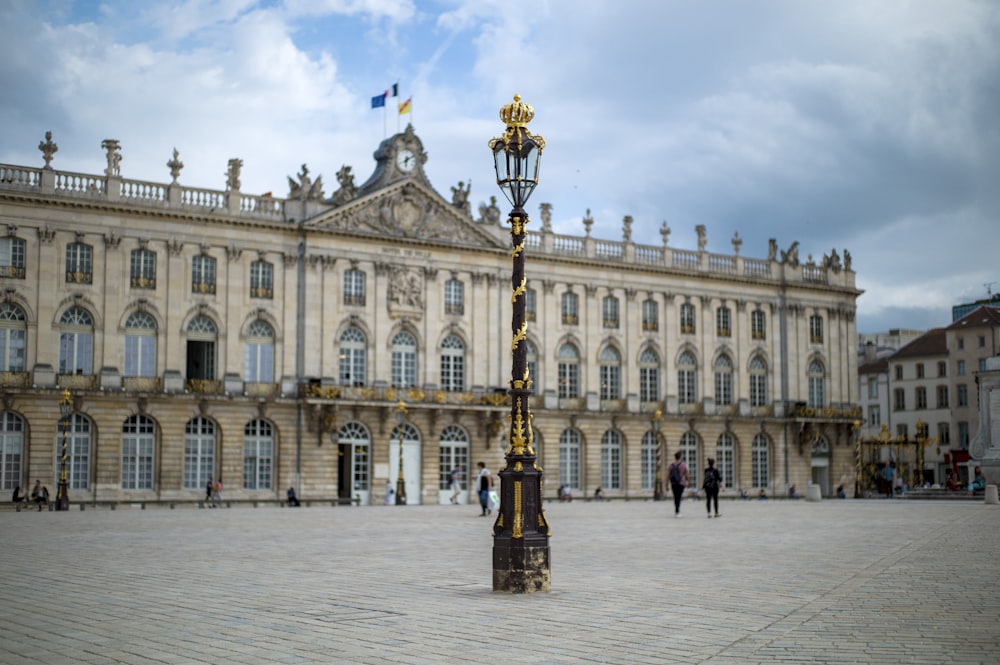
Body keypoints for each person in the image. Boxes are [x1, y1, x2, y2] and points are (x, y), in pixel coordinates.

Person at [667, 451, 689, 518]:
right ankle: (677, 511)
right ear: (680, 457)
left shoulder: (671, 465)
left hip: (673, 482)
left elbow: (668, 476)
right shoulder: (684, 465)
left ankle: (676, 510)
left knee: (675, 497)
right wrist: (688, 482)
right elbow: (687, 475)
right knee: (678, 496)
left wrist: (666, 484)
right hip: (681, 482)